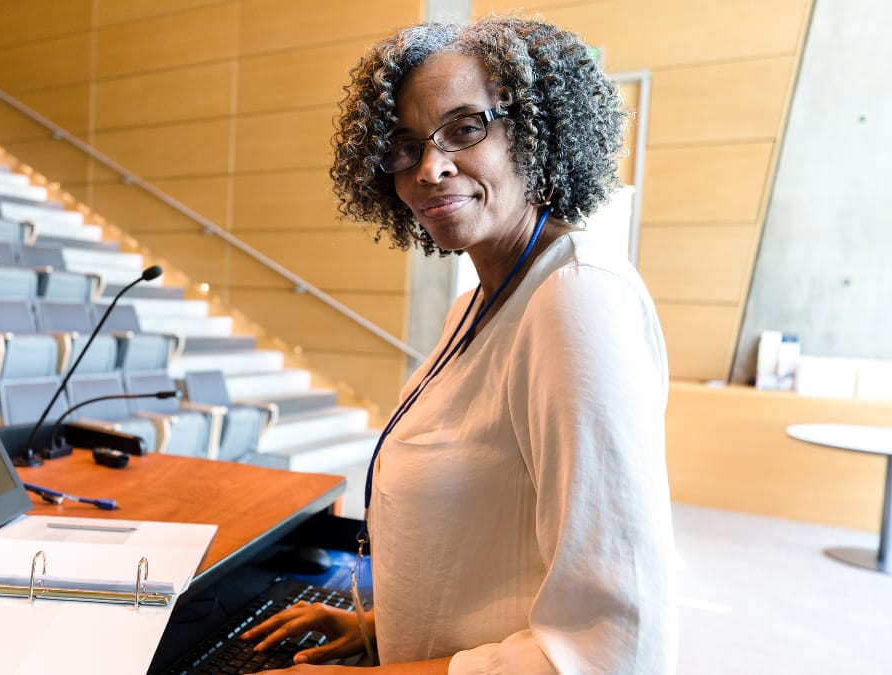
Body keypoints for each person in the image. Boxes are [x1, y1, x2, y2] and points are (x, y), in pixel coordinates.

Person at [241, 14, 677, 674]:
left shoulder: (576, 298)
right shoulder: (472, 305)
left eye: (465, 128)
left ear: (534, 130)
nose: (430, 167)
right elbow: (495, 547)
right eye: (404, 145)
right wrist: (375, 628)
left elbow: (611, 649)